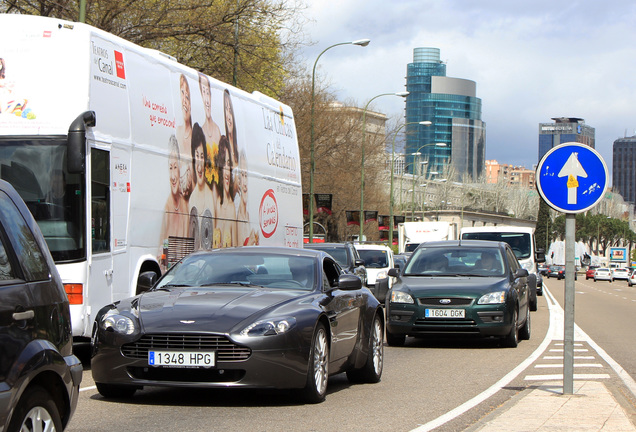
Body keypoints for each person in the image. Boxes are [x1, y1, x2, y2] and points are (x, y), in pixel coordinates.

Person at [159, 136, 189, 254]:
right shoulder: (167, 208)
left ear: (180, 168)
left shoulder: (185, 207)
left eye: (175, 167)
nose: (172, 176)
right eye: (170, 168)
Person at [214, 136, 237, 248]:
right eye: (224, 165)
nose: (227, 172)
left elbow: (237, 250)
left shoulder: (232, 208)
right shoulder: (217, 203)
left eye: (229, 164)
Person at [176, 74, 194, 199]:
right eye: (182, 94)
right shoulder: (177, 132)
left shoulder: (196, 137)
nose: (184, 101)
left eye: (187, 96)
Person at [236, 150, 259, 246]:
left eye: (246, 176)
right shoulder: (237, 217)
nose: (245, 183)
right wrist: (251, 243)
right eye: (242, 175)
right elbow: (239, 257)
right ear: (238, 180)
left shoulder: (247, 216)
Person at [198, 73, 222, 148]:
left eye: (207, 93)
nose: (207, 101)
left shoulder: (217, 130)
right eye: (203, 93)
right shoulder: (200, 132)